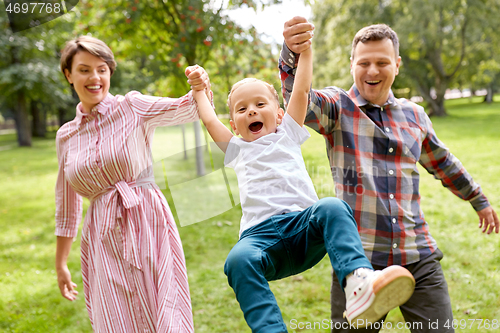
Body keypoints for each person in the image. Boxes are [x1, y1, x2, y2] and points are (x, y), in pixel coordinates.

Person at [280, 17, 499, 333]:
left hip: (417, 253)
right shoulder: (338, 108)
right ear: (352, 63)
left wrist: (478, 199)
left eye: (382, 62)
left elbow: (443, 162)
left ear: (396, 64)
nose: (372, 71)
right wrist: (292, 52)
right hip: (359, 263)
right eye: (364, 62)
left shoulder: (414, 115)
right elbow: (295, 98)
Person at [186, 41, 416, 333]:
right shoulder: (236, 149)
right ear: (234, 125)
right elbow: (208, 119)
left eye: (260, 104)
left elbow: (302, 90)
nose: (252, 112)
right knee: (237, 260)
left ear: (279, 114)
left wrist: (306, 52)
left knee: (332, 206)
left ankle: (359, 284)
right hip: (262, 239)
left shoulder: (288, 132)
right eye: (242, 109)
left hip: (303, 227)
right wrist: (198, 90)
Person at [55, 35, 211, 333]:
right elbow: (67, 206)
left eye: (102, 69)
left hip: (146, 221)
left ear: (110, 71)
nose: (95, 77)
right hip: (101, 236)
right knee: (116, 321)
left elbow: (189, 108)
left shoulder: (132, 107)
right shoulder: (66, 136)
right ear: (68, 74)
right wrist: (61, 263)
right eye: (84, 69)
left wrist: (199, 84)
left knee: (164, 313)